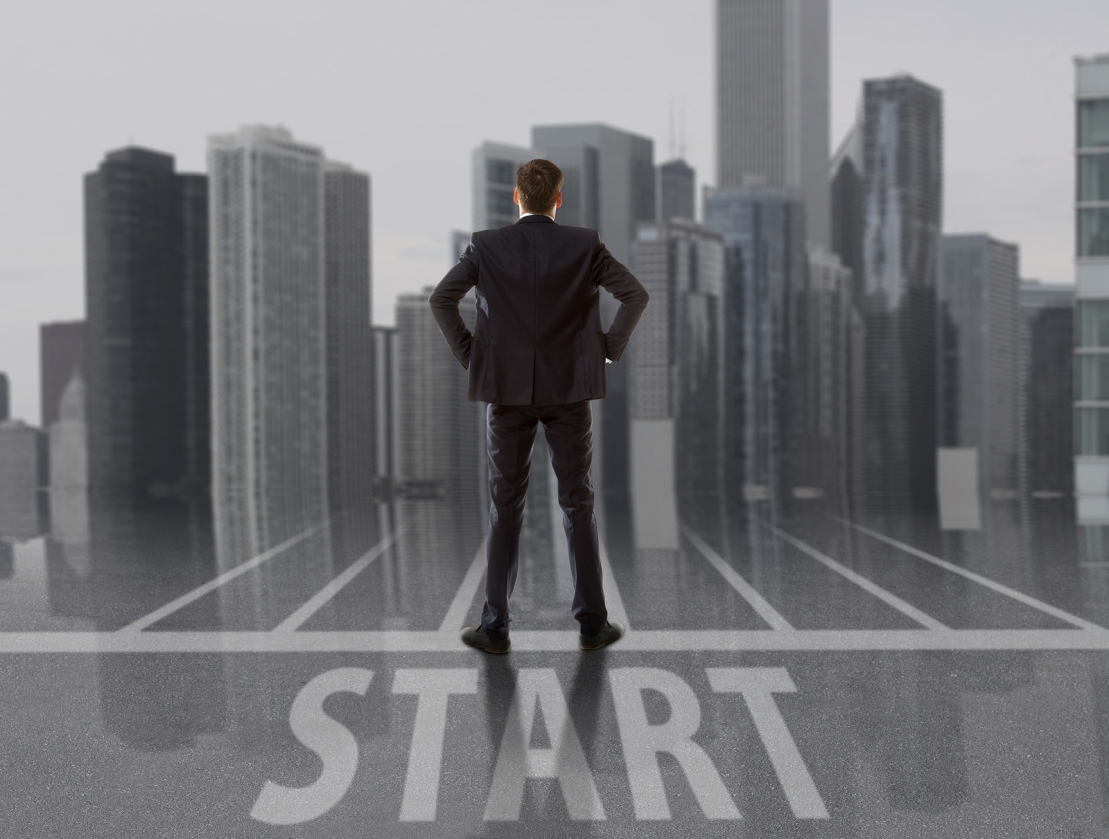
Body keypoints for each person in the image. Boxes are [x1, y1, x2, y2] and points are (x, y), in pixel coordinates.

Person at [429, 158, 649, 653]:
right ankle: (593, 625)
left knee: (504, 506)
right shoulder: (584, 245)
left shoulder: (486, 246)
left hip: (506, 394)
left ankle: (494, 628)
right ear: (558, 199)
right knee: (578, 502)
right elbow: (635, 296)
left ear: (516, 196)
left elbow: (442, 300)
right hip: (569, 390)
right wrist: (606, 349)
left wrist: (474, 358)